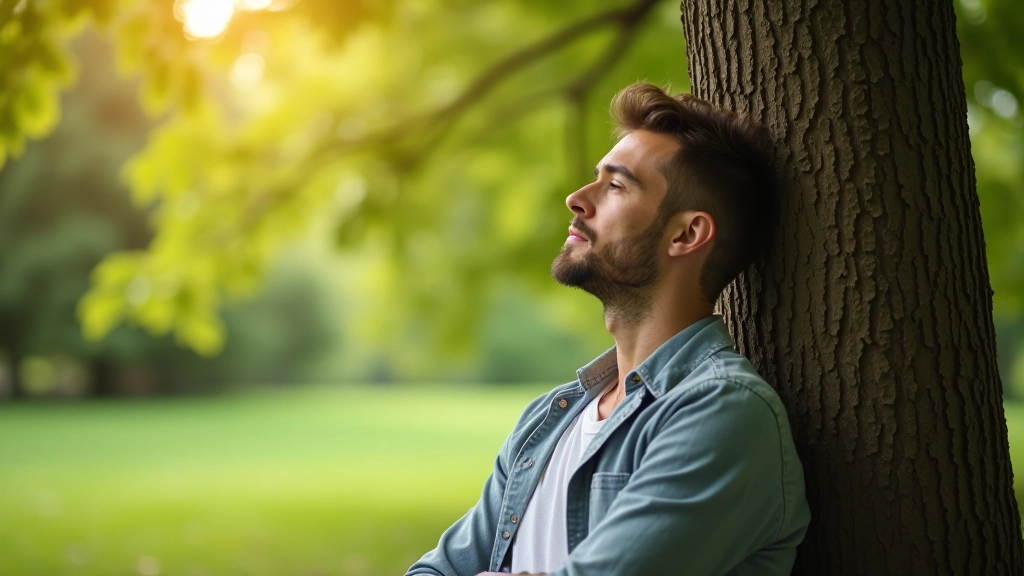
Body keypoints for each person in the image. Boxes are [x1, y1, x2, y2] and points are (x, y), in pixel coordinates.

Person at [406, 82, 810, 576]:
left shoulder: (723, 413)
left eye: (615, 185)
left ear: (687, 234)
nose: (577, 198)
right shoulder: (549, 419)